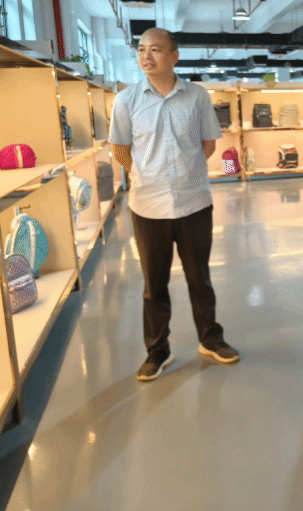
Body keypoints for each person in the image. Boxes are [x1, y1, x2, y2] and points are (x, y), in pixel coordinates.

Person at [110, 27, 239, 382]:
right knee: (154, 284)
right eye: (141, 49)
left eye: (155, 49)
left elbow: (208, 144)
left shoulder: (197, 96)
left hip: (193, 201)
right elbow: (121, 150)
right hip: (148, 206)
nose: (146, 56)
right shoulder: (126, 100)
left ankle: (211, 339)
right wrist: (148, 174)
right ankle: (157, 351)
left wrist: (185, 170)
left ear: (174, 56)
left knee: (200, 277)